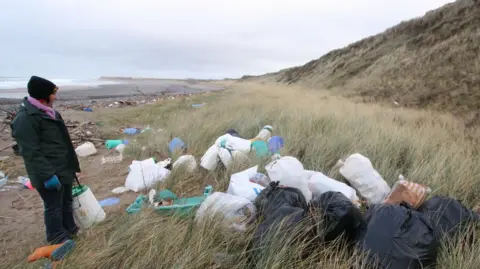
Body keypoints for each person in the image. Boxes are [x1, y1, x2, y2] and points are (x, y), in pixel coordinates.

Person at [12, 76, 81, 244]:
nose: (55, 97)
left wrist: (72, 166)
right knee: (53, 207)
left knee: (66, 202)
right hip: (48, 172)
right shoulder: (25, 119)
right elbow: (30, 152)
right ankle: (57, 239)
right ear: (43, 96)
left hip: (64, 168)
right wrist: (47, 175)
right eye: (53, 94)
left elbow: (64, 142)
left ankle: (71, 232)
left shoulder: (51, 113)